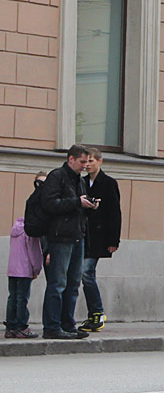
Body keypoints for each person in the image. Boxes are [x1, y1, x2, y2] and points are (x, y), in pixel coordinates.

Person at [40, 144, 98, 339]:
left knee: (73, 283)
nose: (85, 165)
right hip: (60, 238)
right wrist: (76, 202)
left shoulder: (79, 181)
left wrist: (89, 205)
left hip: (77, 237)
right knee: (57, 283)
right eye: (82, 161)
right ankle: (52, 327)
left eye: (87, 162)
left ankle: (68, 324)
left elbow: (77, 207)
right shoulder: (57, 177)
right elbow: (48, 204)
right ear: (70, 159)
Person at [80, 148, 122, 332]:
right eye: (85, 162)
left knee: (86, 272)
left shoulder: (108, 183)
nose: (87, 165)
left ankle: (97, 312)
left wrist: (114, 240)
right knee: (83, 275)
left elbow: (114, 213)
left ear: (100, 161)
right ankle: (93, 315)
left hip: (98, 237)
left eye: (91, 161)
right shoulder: (80, 182)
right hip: (81, 235)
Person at [5, 173, 46, 339]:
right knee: (23, 299)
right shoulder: (30, 230)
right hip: (24, 270)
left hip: (12, 270)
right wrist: (36, 268)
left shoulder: (15, 228)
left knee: (12, 298)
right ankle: (22, 326)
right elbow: (34, 252)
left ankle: (11, 327)